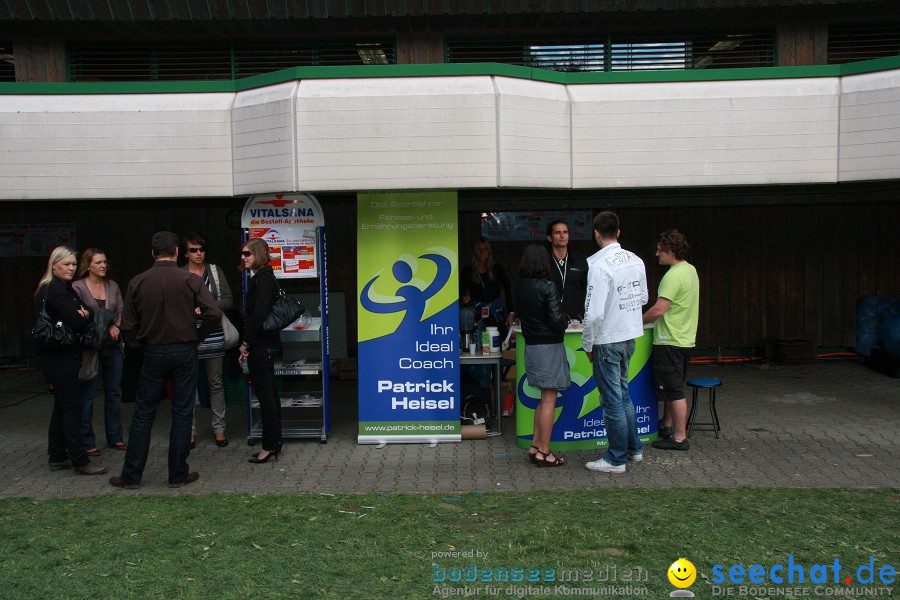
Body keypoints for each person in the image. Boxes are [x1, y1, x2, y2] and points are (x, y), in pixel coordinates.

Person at [110, 231, 221, 489]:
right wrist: (198, 336)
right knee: (182, 413)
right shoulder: (189, 280)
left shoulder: (138, 281)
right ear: (175, 253)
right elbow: (213, 312)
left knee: (143, 414)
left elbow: (127, 324)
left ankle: (131, 475)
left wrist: (139, 344)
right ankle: (178, 474)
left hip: (153, 351)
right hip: (184, 350)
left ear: (152, 253)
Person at [581, 212, 649, 474]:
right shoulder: (636, 259)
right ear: (618, 232)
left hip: (607, 340)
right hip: (629, 335)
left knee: (612, 401)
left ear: (596, 233)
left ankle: (616, 458)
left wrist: (588, 343)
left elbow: (594, 313)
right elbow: (643, 297)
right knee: (623, 395)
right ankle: (634, 449)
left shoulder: (599, 266)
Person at [34, 247, 106, 475]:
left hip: (62, 357)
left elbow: (90, 312)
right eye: (66, 264)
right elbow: (78, 322)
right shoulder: (55, 291)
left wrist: (84, 315)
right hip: (59, 358)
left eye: (73, 264)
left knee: (62, 407)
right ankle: (80, 461)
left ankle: (57, 456)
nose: (71, 268)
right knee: (72, 409)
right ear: (54, 265)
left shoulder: (64, 289)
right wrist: (82, 316)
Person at [513, 244, 570, 467]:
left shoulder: (517, 285)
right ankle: (544, 452)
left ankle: (535, 446)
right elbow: (557, 320)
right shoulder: (548, 286)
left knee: (542, 398)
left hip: (531, 345)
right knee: (549, 398)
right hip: (549, 345)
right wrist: (565, 321)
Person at [642, 229, 700, 452]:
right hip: (684, 339)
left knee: (674, 391)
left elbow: (659, 309)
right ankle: (666, 426)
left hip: (670, 340)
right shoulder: (690, 270)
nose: (656, 254)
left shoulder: (672, 275)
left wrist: (638, 321)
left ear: (671, 250)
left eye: (660, 250)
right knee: (670, 388)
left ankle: (679, 437)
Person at [72, 248, 127, 456]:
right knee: (88, 394)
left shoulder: (112, 286)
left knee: (113, 392)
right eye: (98, 262)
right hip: (90, 347)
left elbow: (121, 312)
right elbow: (79, 316)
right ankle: (87, 440)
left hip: (112, 345)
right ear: (88, 265)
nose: (103, 266)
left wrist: (116, 326)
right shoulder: (78, 287)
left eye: (105, 262)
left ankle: (115, 437)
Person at [181, 233, 232, 449]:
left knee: (216, 383)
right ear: (185, 253)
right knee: (188, 385)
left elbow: (229, 300)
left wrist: (208, 308)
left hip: (213, 333)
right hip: (188, 335)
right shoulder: (179, 274)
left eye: (201, 249)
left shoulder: (214, 272)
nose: (198, 253)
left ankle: (219, 430)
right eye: (193, 250)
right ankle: (189, 432)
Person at [239, 238, 283, 464]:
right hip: (265, 343)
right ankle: (274, 442)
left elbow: (258, 314)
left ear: (259, 254)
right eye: (243, 254)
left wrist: (245, 342)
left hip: (261, 344)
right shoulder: (263, 277)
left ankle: (270, 446)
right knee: (270, 396)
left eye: (248, 254)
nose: (243, 257)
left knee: (266, 396)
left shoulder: (263, 279)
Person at [460, 239, 515, 331]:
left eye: (485, 249)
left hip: (495, 308)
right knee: (466, 314)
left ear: (489, 252)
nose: (482, 252)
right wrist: (464, 298)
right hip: (477, 308)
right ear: (474, 252)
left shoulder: (497, 268)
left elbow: (508, 289)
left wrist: (511, 312)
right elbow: (460, 291)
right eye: (479, 249)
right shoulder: (467, 271)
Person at [545, 219, 589, 322]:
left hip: (576, 319)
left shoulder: (580, 261)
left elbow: (588, 289)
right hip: (549, 319)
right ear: (550, 238)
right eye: (557, 232)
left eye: (565, 232)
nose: (562, 236)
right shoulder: (543, 261)